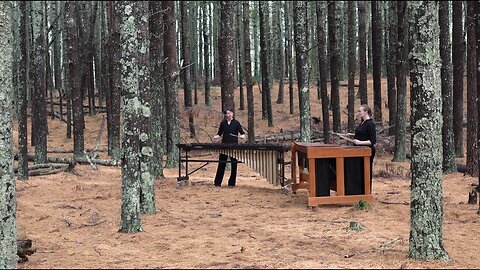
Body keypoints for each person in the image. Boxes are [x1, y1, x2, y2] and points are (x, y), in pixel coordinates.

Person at [212, 109, 246, 187]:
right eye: (227, 113)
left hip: (233, 146)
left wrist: (242, 136)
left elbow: (242, 133)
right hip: (224, 146)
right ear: (226, 115)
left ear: (232, 114)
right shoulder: (223, 123)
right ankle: (217, 182)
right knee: (221, 164)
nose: (229, 114)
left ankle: (231, 183)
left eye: (230, 113)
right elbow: (219, 134)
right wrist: (216, 137)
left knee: (234, 165)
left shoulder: (236, 123)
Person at [347, 104, 376, 188]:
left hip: (367, 151)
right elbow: (362, 134)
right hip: (359, 150)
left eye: (360, 111)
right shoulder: (362, 123)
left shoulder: (370, 124)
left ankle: (366, 189)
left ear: (366, 112)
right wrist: (352, 135)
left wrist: (359, 143)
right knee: (358, 171)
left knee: (365, 171)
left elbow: (372, 141)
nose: (358, 113)